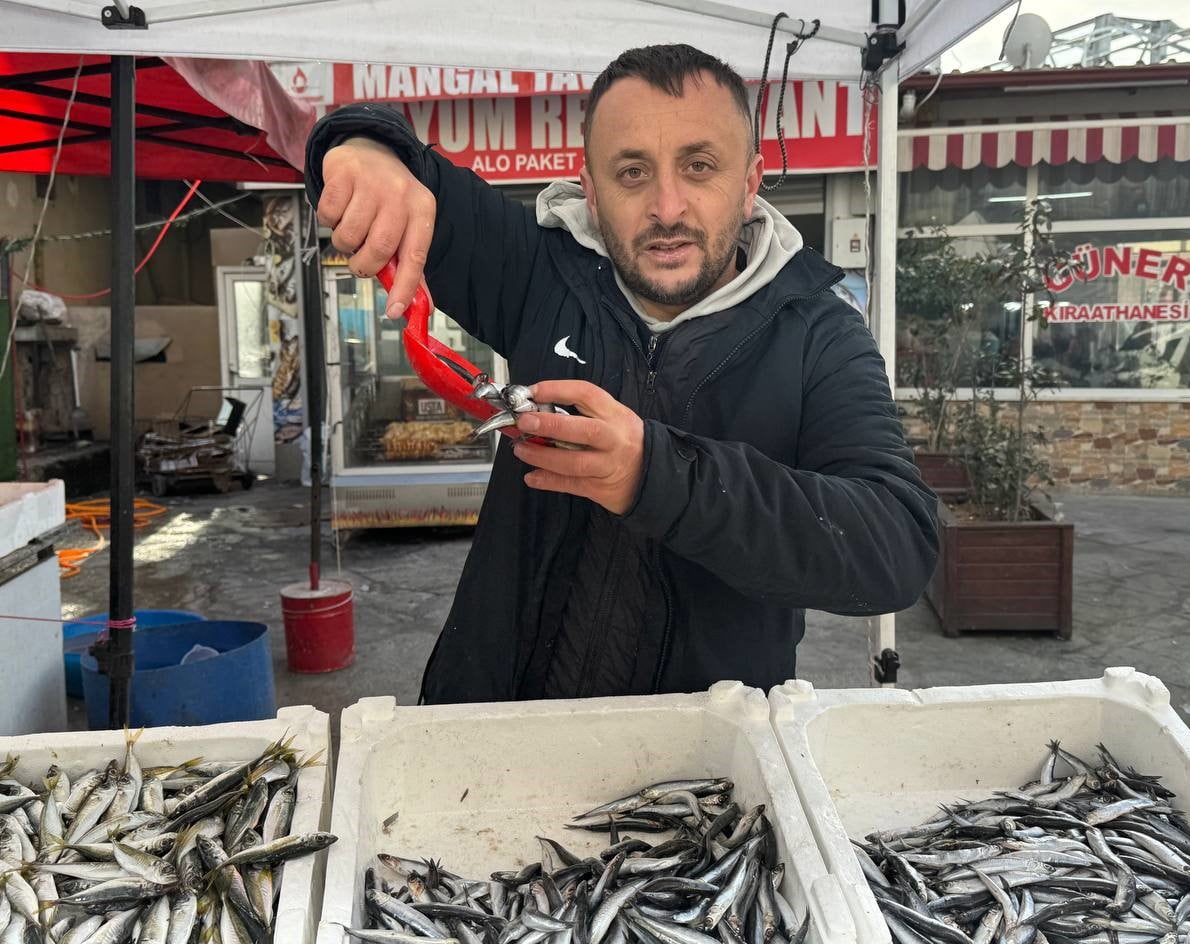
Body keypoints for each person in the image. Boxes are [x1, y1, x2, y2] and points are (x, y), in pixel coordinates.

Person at [305, 44, 938, 704]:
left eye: (699, 166)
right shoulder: (539, 274)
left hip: (703, 772)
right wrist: (358, 146)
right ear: (594, 192)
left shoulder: (819, 334)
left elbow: (896, 546)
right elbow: (385, 155)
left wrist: (656, 476)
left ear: (749, 183)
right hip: (484, 730)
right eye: (632, 173)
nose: (667, 207)